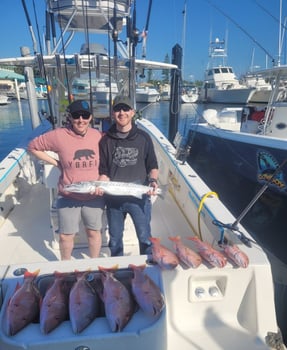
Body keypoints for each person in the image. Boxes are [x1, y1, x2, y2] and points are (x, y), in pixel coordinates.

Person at [28, 100, 105, 260]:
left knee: (94, 232)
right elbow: (33, 147)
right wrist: (56, 163)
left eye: (85, 115)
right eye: (76, 116)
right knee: (65, 236)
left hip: (94, 195)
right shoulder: (58, 135)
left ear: (90, 117)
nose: (81, 120)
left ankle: (95, 263)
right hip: (68, 195)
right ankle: (66, 266)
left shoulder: (98, 136)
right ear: (70, 117)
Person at [99, 95, 159, 256]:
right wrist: (100, 184)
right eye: (118, 109)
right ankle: (117, 270)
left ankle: (147, 267)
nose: (122, 113)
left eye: (125, 109)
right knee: (115, 239)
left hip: (138, 197)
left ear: (132, 112)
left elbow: (152, 165)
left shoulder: (144, 137)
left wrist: (153, 180)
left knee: (145, 237)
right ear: (113, 113)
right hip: (114, 199)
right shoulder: (105, 141)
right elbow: (103, 170)